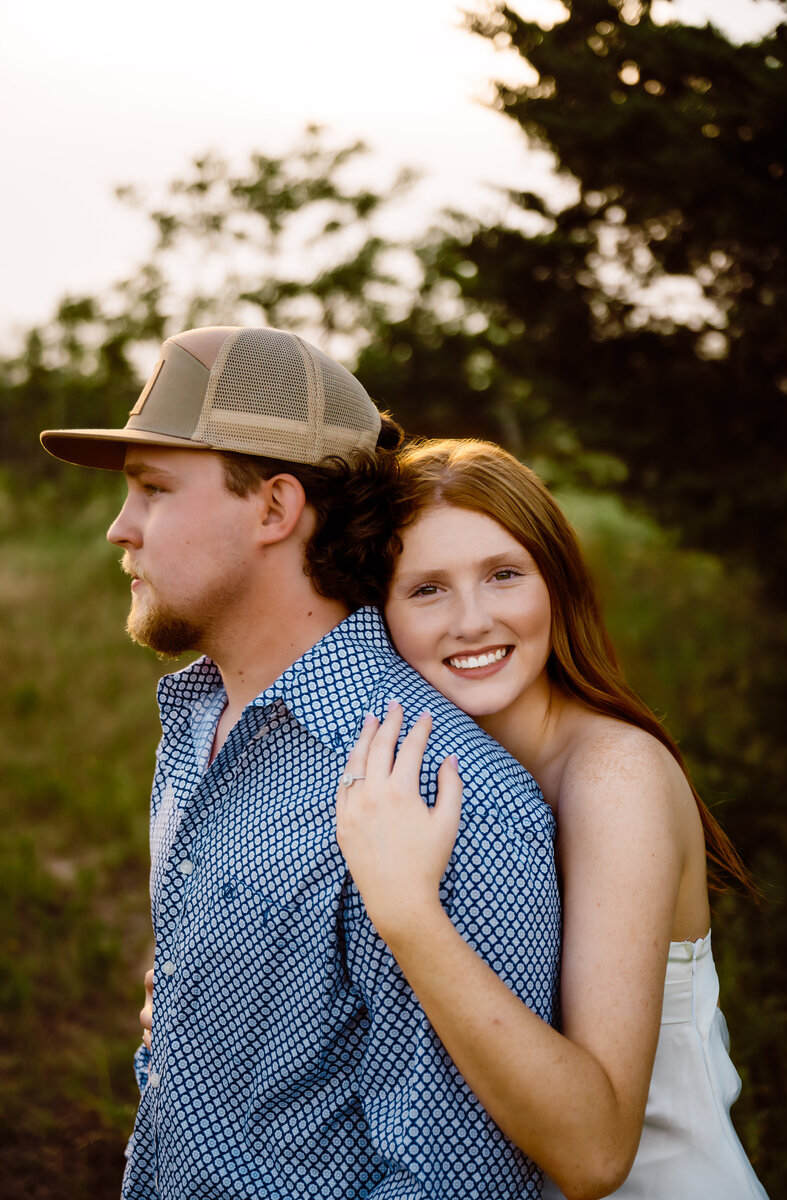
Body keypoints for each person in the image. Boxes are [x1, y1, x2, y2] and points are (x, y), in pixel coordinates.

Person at [40, 328, 560, 1200]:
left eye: (154, 489)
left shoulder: (442, 793)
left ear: (276, 510)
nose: (117, 527)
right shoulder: (196, 712)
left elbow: (450, 1183)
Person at [335, 438, 769, 1200]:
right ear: (381, 617)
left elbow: (597, 1155)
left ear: (555, 585)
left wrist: (406, 911)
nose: (472, 620)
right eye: (427, 589)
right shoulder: (416, 773)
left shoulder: (613, 775)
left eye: (504, 575)